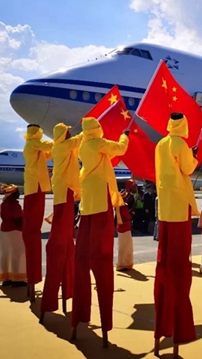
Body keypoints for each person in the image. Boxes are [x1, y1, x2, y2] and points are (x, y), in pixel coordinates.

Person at [71, 118, 128, 347]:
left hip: (87, 207)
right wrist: (125, 135)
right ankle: (105, 326)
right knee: (102, 261)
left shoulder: (83, 145)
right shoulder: (97, 143)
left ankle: (79, 318)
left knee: (82, 261)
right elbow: (120, 149)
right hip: (102, 204)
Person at [154, 112, 199, 356]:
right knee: (180, 264)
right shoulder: (180, 144)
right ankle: (180, 326)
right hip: (180, 206)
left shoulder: (161, 143)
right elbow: (187, 168)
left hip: (165, 207)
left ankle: (161, 327)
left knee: (164, 260)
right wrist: (194, 155)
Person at [40, 123, 82, 322]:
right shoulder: (64, 146)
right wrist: (89, 126)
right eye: (67, 132)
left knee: (63, 231)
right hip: (65, 191)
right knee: (64, 234)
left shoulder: (58, 147)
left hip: (62, 190)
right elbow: (80, 138)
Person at [22, 123, 53, 300]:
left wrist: (58, 148)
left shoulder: (34, 146)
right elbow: (48, 146)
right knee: (33, 226)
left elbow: (48, 154)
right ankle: (32, 278)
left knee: (34, 226)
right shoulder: (34, 143)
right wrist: (61, 140)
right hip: (35, 186)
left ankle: (32, 281)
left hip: (36, 186)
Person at [0, 184, 26, 286]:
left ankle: (6, 278)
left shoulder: (4, 203)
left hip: (4, 230)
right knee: (17, 254)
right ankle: (17, 279)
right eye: (17, 192)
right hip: (15, 231)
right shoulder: (15, 205)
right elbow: (18, 219)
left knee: (6, 254)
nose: (19, 194)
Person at [116, 179, 136, 272]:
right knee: (125, 246)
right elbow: (125, 214)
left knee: (125, 246)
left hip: (124, 226)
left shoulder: (122, 200)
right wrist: (130, 215)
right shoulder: (121, 203)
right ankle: (123, 264)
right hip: (124, 226)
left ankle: (125, 263)